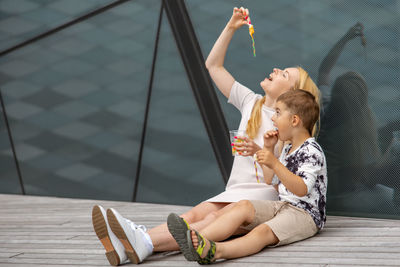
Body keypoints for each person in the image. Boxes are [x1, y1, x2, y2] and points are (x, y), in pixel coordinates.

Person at [91, 7, 320, 265]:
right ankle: (135, 243)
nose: (276, 69)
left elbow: (279, 175)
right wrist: (232, 27)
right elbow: (213, 65)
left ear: (292, 94)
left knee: (209, 220)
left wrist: (258, 148)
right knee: (197, 213)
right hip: (236, 189)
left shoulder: (286, 127)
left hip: (263, 198)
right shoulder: (250, 103)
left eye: (284, 75)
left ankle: (141, 240)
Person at [167, 89, 327, 264]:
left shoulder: (312, 151)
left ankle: (215, 251)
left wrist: (274, 163)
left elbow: (302, 189)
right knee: (243, 206)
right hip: (283, 205)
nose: (273, 118)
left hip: (305, 215)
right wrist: (268, 148)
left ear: (294, 120)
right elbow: (270, 180)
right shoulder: (288, 148)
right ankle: (197, 239)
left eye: (278, 113)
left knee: (262, 232)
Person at [317, 23, 382, 197]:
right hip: (345, 198)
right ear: (363, 103)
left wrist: (344, 39)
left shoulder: (323, 112)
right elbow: (370, 175)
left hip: (323, 192)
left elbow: (324, 71)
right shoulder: (362, 136)